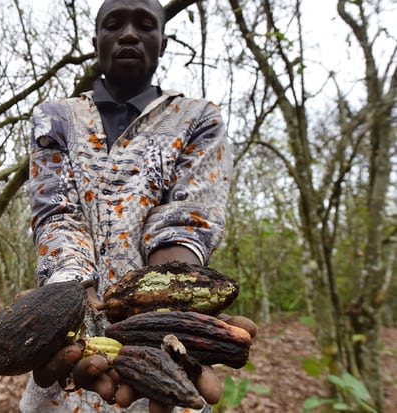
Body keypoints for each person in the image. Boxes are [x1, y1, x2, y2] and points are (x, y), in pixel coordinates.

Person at [20, 0, 256, 412]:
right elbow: (56, 214)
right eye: (114, 24)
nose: (129, 33)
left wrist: (168, 301)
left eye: (145, 24)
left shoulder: (198, 118)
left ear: (162, 42)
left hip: (161, 352)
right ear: (97, 41)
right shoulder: (55, 118)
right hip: (73, 343)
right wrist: (71, 298)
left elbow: (187, 219)